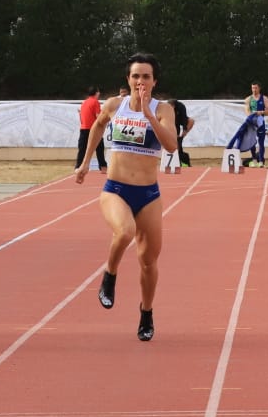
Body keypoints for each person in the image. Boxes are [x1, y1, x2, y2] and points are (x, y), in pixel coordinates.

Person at [75, 53, 179, 342]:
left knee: (148, 261)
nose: (140, 82)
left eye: (146, 76)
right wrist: (85, 163)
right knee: (125, 231)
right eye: (136, 76)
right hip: (116, 190)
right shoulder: (113, 105)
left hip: (148, 194)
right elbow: (96, 126)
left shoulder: (163, 110)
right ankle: (110, 275)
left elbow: (171, 146)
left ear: (154, 81)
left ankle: (146, 312)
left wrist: (149, 116)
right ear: (128, 79)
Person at [76, 85, 103, 173]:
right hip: (93, 129)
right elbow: (98, 117)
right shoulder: (95, 102)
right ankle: (103, 167)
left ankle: (78, 166)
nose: (99, 93)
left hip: (83, 128)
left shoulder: (84, 103)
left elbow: (81, 117)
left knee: (82, 149)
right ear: (96, 93)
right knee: (99, 148)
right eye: (98, 91)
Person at [246, 82, 268, 167]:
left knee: (261, 142)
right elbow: (247, 111)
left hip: (260, 122)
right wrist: (252, 116)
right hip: (252, 123)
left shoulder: (264, 98)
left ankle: (261, 161)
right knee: (252, 142)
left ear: (259, 88)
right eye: (252, 88)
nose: (254, 90)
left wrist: (261, 112)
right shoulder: (248, 99)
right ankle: (254, 159)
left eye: (255, 88)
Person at [172, 96, 192, 167]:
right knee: (177, 148)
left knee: (191, 121)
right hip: (172, 125)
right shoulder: (167, 108)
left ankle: (184, 162)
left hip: (179, 122)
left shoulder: (181, 107)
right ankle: (181, 161)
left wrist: (184, 130)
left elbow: (184, 118)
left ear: (174, 106)